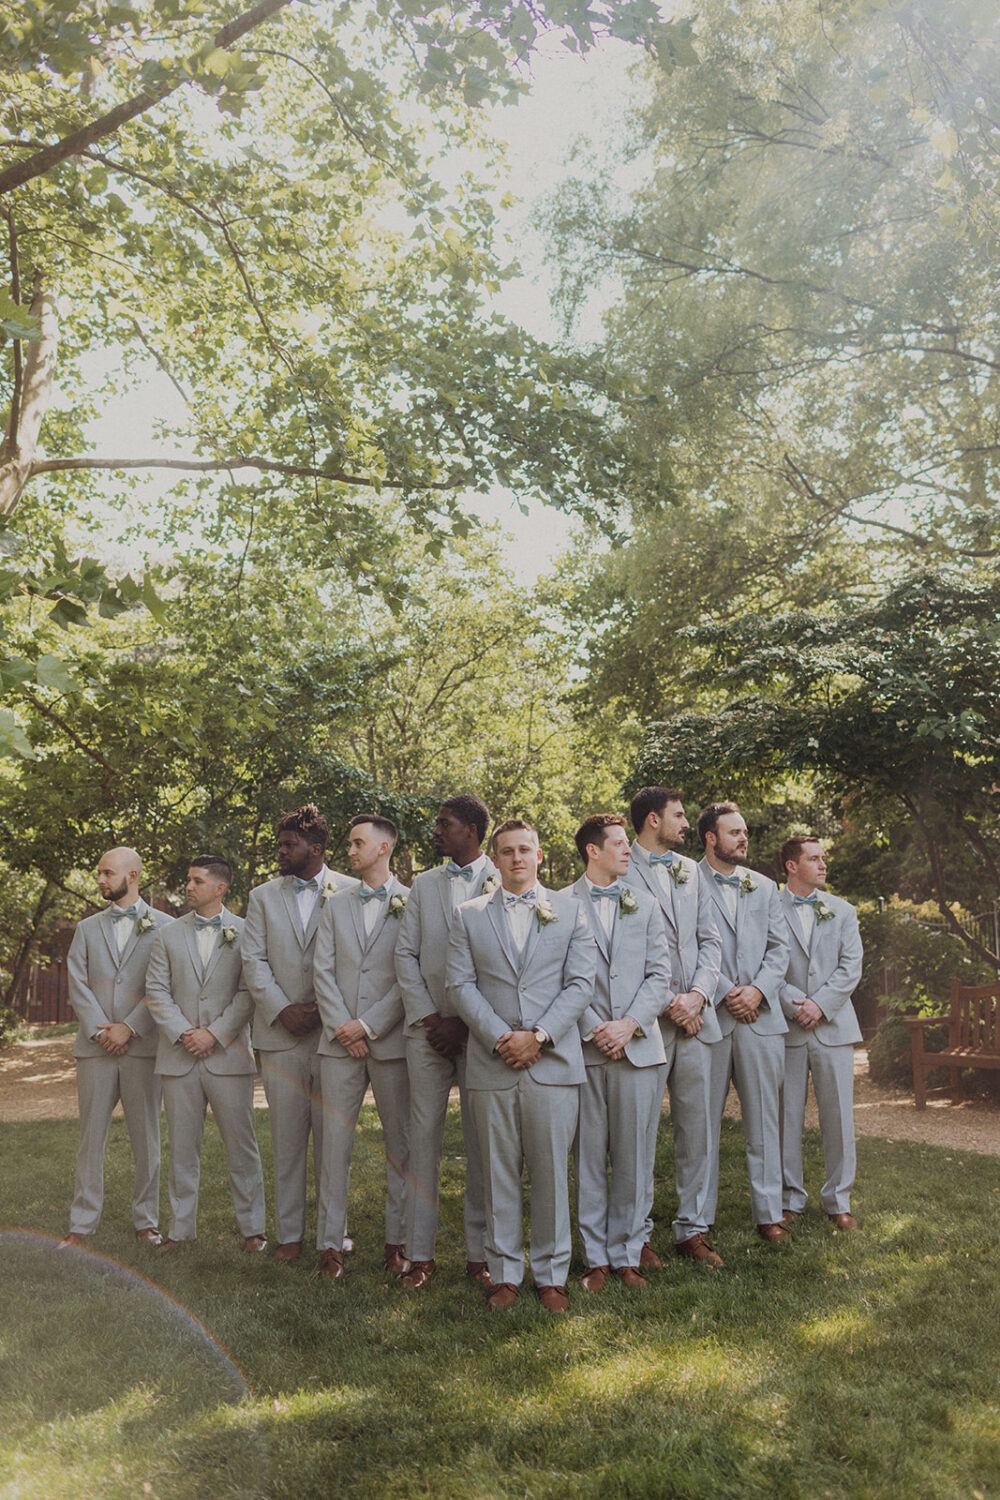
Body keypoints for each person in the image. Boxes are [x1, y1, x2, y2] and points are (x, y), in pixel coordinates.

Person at [445, 818, 596, 1313]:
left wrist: (540, 1036)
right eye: (507, 851)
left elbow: (580, 985)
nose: (517, 858)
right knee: (497, 1172)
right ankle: (505, 1273)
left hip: (552, 1062)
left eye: (525, 849)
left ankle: (552, 1275)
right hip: (492, 1062)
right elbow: (460, 985)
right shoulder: (468, 914)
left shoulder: (571, 911)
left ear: (539, 855)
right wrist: (500, 1038)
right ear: (496, 857)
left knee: (552, 1171)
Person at [241, 804, 357, 1262]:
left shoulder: (349, 890)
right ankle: (288, 1234)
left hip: (334, 1036)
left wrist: (326, 1013)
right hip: (280, 1035)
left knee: (335, 1142)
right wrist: (282, 1009)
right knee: (287, 1140)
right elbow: (253, 961)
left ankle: (335, 1234)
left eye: (289, 844)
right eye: (280, 843)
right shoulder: (262, 896)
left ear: (316, 848)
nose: (281, 851)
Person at [395, 794, 498, 1291]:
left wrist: (467, 1021)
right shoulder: (423, 885)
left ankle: (481, 1256)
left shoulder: (506, 880)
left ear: (473, 832)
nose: (436, 830)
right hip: (427, 1034)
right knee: (423, 1142)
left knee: (482, 1144)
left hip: (481, 1037)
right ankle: (420, 1254)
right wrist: (432, 1018)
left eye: (445, 824)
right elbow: (405, 956)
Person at [564, 814, 669, 1292]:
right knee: (588, 1157)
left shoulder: (646, 905)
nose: (629, 851)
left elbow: (659, 976)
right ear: (593, 851)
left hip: (638, 1048)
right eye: (620, 844)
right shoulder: (560, 905)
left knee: (634, 1157)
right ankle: (596, 1259)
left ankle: (629, 1254)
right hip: (583, 1051)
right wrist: (593, 1029)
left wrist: (627, 1026)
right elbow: (559, 980)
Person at [145, 854, 266, 1250]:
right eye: (188, 879)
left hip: (228, 1056)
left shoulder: (246, 932)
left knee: (242, 1147)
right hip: (179, 1058)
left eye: (197, 881)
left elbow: (249, 992)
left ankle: (253, 1229)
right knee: (182, 1148)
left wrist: (214, 1034)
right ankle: (180, 1231)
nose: (189, 887)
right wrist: (184, 1034)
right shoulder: (167, 934)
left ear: (220, 888)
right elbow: (156, 992)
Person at [626, 787, 724, 1266]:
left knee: (698, 1127)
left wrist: (698, 996)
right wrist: (668, 1003)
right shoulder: (620, 865)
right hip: (648, 1020)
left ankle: (693, 1229)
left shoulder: (690, 872)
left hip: (697, 1018)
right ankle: (636, 1235)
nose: (686, 824)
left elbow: (711, 940)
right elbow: (621, 956)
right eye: (679, 816)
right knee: (641, 1132)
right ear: (652, 820)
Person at [60, 846, 173, 1249]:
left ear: (133, 876)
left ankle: (147, 1220)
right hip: (95, 1050)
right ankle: (82, 1223)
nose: (100, 880)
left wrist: (129, 1028)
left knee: (147, 1138)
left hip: (142, 1048)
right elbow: (78, 983)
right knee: (91, 1138)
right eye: (99, 872)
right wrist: (100, 1031)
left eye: (108, 873)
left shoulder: (166, 927)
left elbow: (163, 988)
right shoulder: (87, 929)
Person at [313, 815, 411, 1280]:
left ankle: (399, 1242)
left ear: (384, 848)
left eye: (358, 843)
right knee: (334, 1143)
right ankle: (330, 1244)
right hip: (338, 1045)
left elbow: (410, 977)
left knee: (400, 1145)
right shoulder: (335, 905)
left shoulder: (413, 904)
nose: (349, 852)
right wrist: (341, 1027)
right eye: (350, 843)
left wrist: (369, 1026)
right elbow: (322, 971)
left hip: (390, 1042)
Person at [698, 803, 790, 1242]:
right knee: (701, 1121)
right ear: (710, 838)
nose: (743, 838)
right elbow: (685, 946)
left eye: (745, 831)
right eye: (733, 832)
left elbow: (779, 950)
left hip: (760, 1019)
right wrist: (724, 993)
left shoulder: (766, 887)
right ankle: (698, 1221)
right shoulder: (686, 881)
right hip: (710, 1019)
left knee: (764, 1121)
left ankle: (769, 1214)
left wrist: (756, 991)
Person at [778, 835, 864, 1230]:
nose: (823, 864)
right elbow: (763, 964)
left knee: (839, 1118)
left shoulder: (843, 911)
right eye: (814, 858)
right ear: (792, 866)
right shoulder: (768, 908)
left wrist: (820, 1005)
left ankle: (838, 1199)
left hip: (833, 1025)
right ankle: (788, 1199)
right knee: (785, 1117)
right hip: (787, 1027)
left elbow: (851, 968)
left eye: (823, 857)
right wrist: (796, 1004)